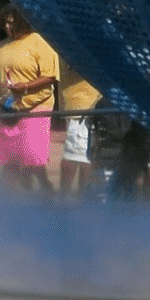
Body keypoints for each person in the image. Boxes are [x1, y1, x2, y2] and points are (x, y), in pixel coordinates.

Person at [0, 6, 60, 190]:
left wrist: (25, 87)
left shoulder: (38, 43)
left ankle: (41, 194)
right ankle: (12, 199)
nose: (7, 27)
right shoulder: (1, 46)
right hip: (7, 109)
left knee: (31, 158)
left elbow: (50, 76)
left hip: (33, 108)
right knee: (9, 158)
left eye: (12, 22)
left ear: (23, 22)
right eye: (5, 23)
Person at [57, 57, 103, 198]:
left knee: (82, 157)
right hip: (79, 107)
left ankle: (77, 201)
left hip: (86, 107)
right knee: (79, 156)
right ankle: (72, 201)